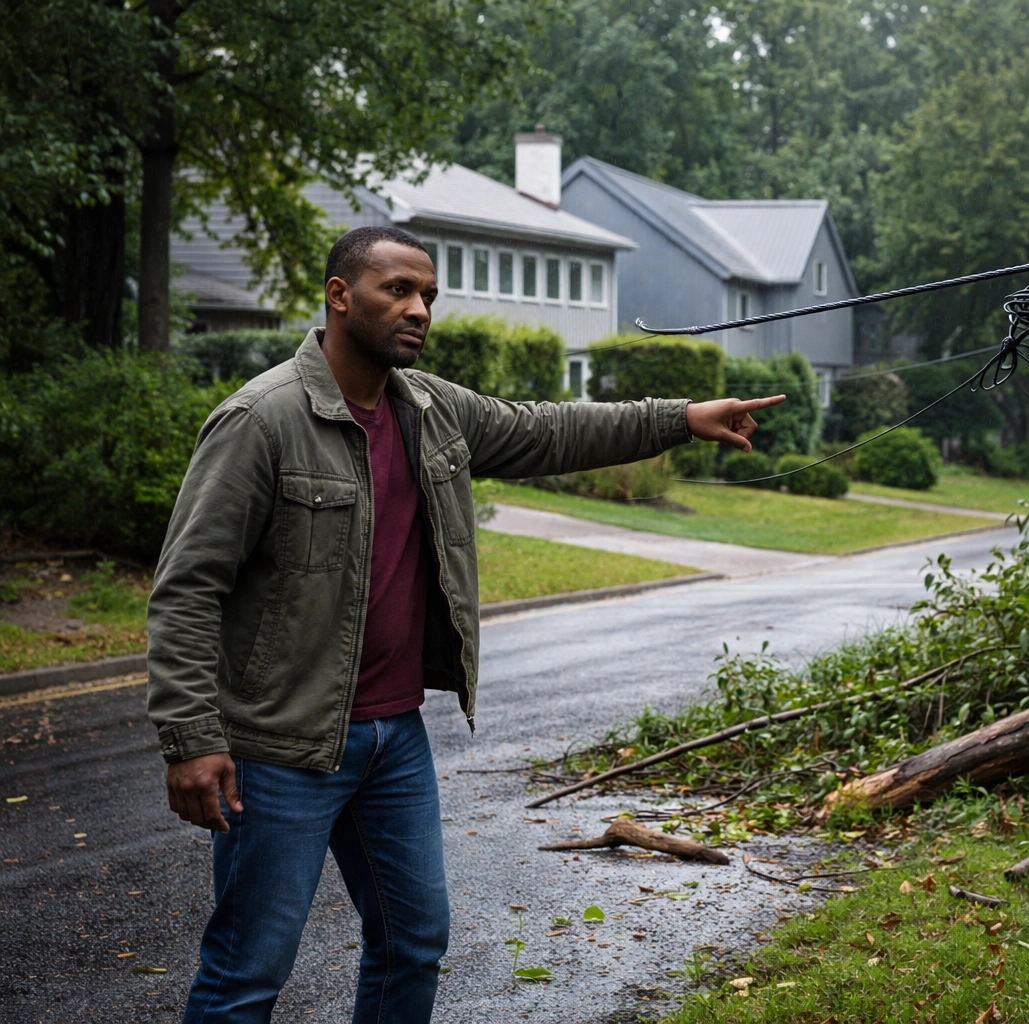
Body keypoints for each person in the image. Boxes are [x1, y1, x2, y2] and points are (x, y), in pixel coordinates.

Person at [147, 224, 783, 1023]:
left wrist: (682, 416)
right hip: (282, 747)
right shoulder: (262, 421)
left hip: (394, 740)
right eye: (398, 291)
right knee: (249, 970)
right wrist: (193, 739)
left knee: (414, 942)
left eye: (429, 296)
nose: (419, 309)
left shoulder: (432, 409)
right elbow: (185, 588)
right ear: (340, 296)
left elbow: (553, 430)